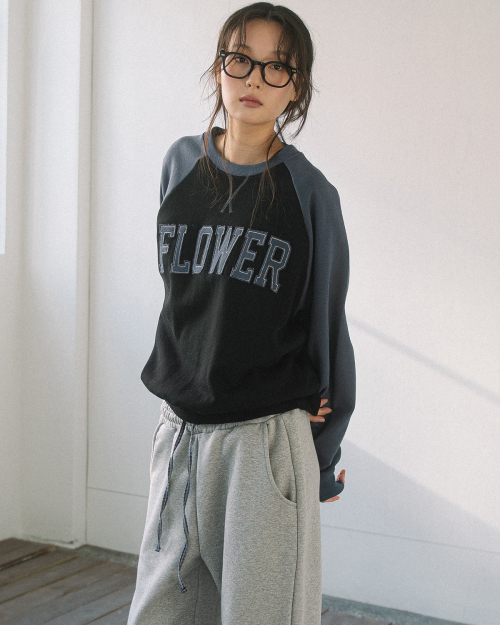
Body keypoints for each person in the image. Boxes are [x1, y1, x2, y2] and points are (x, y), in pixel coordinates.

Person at [127, 3, 355, 624]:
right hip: (179, 435)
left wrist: (322, 457)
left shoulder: (311, 193)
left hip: (263, 445)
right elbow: (184, 299)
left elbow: (326, 323)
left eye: (276, 67)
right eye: (240, 60)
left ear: (296, 87)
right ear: (219, 69)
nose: (254, 78)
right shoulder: (180, 165)